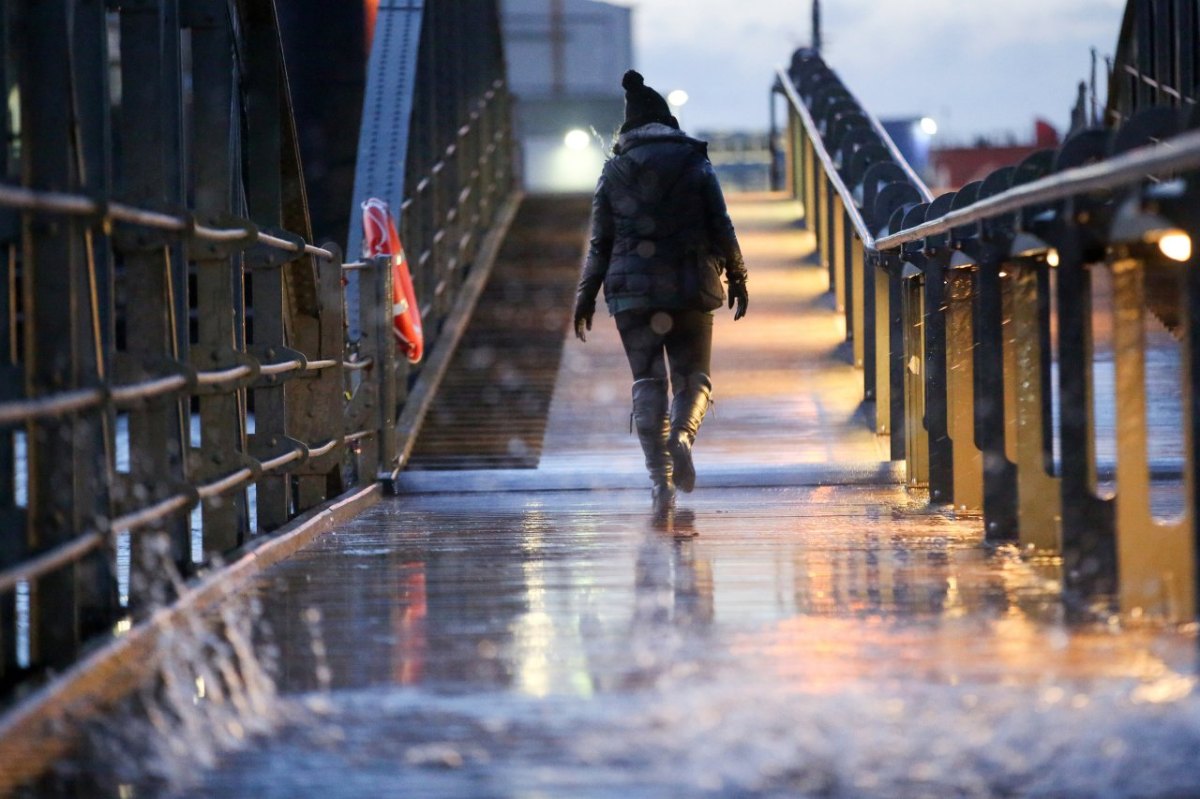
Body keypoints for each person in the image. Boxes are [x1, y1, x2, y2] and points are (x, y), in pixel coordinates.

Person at [573, 70, 749, 514]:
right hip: (690, 286)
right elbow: (721, 224)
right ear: (668, 124)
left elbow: (600, 242)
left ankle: (660, 482)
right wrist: (738, 276)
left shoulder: (613, 171)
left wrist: (585, 294)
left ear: (628, 130)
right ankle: (682, 437)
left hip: (632, 295)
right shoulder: (694, 163)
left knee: (648, 379)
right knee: (693, 377)